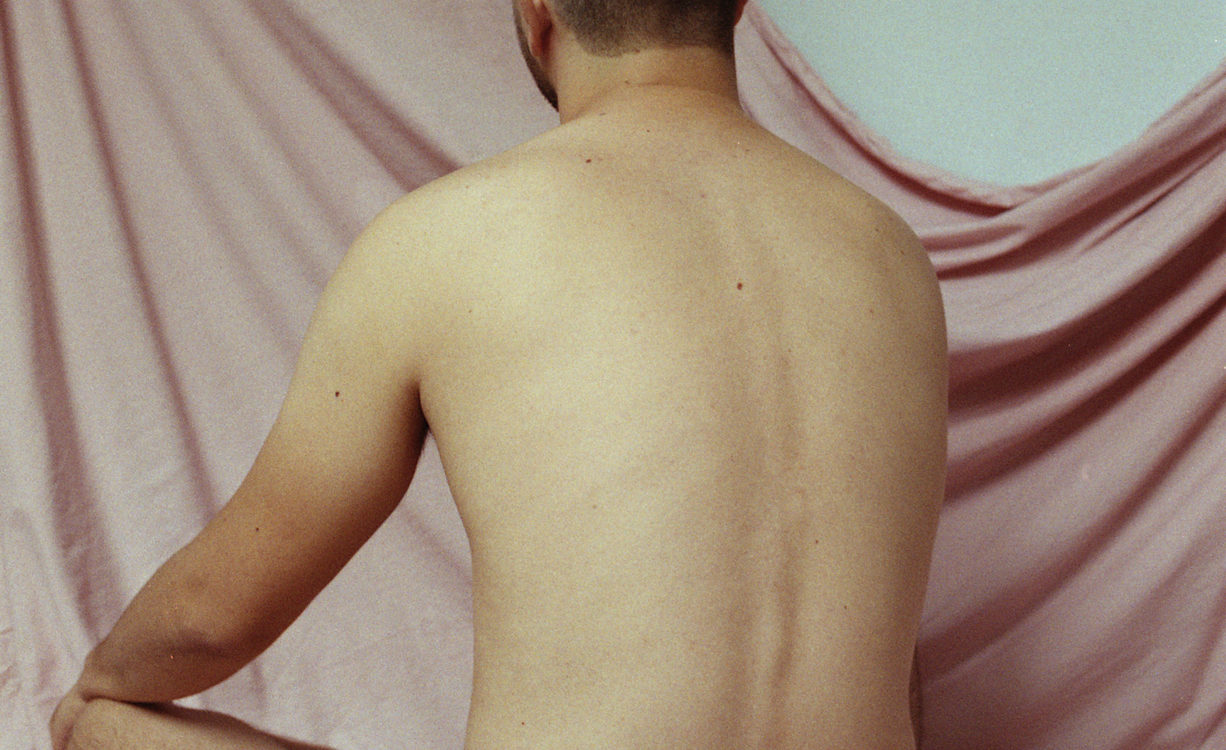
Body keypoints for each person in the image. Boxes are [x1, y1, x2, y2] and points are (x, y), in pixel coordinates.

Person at [50, 0, 947, 747]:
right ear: (739, 3)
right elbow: (892, 673)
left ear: (537, 10)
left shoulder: (444, 242)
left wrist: (95, 685)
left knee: (104, 727)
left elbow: (212, 617)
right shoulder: (892, 258)